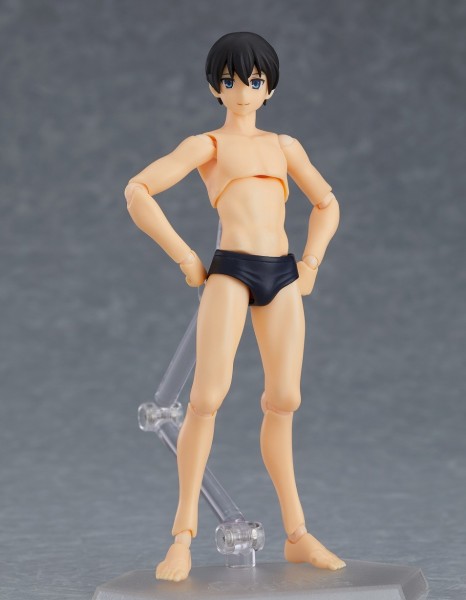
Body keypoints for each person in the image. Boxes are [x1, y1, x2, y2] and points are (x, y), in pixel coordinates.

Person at [124, 32, 345, 582]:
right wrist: (185, 256)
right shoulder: (209, 145)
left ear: (269, 88)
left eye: (254, 81)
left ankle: (297, 534)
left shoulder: (285, 146)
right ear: (214, 88)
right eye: (230, 81)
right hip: (230, 271)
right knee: (205, 399)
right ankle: (182, 536)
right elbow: (138, 190)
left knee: (285, 399)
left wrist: (312, 262)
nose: (243, 93)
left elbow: (326, 202)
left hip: (282, 272)